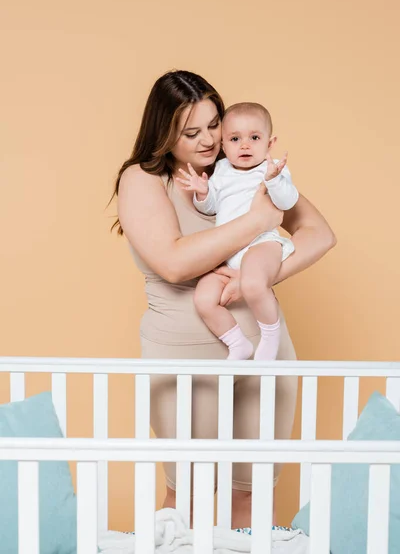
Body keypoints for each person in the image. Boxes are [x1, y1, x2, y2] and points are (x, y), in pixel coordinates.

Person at [111, 70, 336, 529]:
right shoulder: (142, 179)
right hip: (184, 354)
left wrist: (256, 277)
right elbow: (173, 263)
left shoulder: (244, 167)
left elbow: (319, 234)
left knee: (253, 494)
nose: (210, 140)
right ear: (164, 132)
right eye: (191, 132)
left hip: (264, 352)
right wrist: (257, 222)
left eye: (214, 124)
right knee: (188, 495)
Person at [176, 102, 299, 362]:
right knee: (204, 298)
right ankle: (237, 344)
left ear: (269, 142)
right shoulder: (221, 171)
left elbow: (287, 202)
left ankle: (270, 337)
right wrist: (203, 192)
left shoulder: (272, 168)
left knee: (254, 284)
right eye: (235, 139)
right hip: (229, 253)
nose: (245, 145)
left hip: (262, 244)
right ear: (223, 146)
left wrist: (275, 180)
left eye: (254, 138)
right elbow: (211, 208)